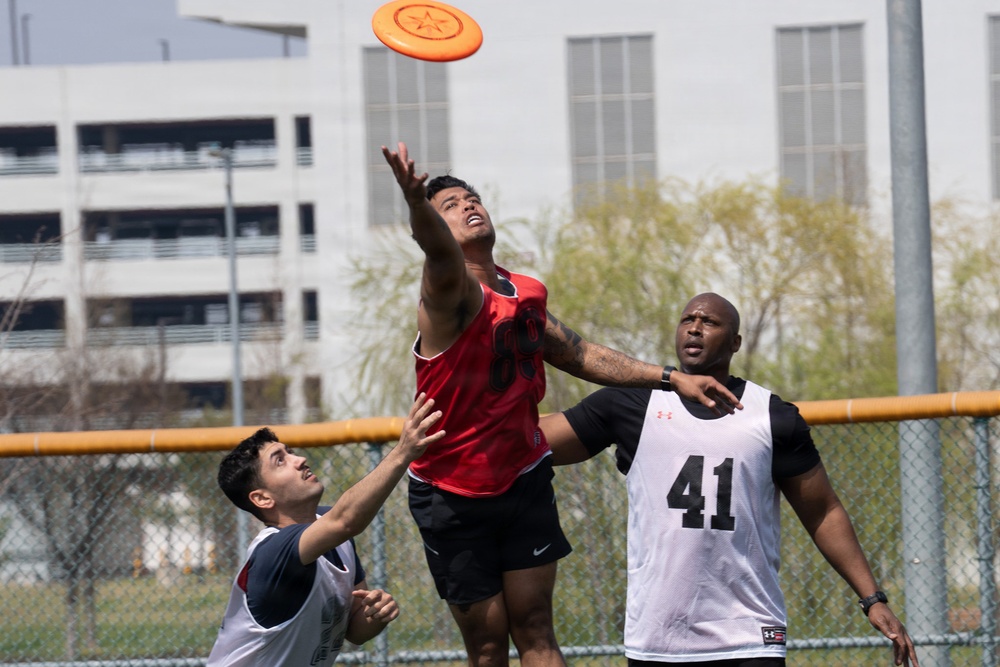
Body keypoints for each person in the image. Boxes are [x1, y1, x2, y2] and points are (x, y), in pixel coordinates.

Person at [380, 142, 743, 667]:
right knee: (487, 645)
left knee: (536, 629)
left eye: (471, 197)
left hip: (522, 476)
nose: (468, 205)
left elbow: (579, 354)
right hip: (452, 490)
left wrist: (669, 379)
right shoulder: (447, 292)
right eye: (451, 206)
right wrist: (417, 204)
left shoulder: (522, 291)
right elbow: (437, 250)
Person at [541, 292, 920, 667]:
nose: (695, 328)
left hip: (749, 634)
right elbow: (534, 444)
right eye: (687, 320)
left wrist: (872, 598)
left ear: (736, 342)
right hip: (659, 636)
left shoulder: (771, 415)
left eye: (709, 322)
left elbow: (822, 511)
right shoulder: (630, 405)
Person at [206, 393, 445, 667]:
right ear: (262, 499)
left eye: (290, 452)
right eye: (279, 460)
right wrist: (403, 452)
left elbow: (355, 631)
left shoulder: (333, 532)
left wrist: (374, 615)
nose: (300, 460)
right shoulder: (274, 551)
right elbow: (347, 519)